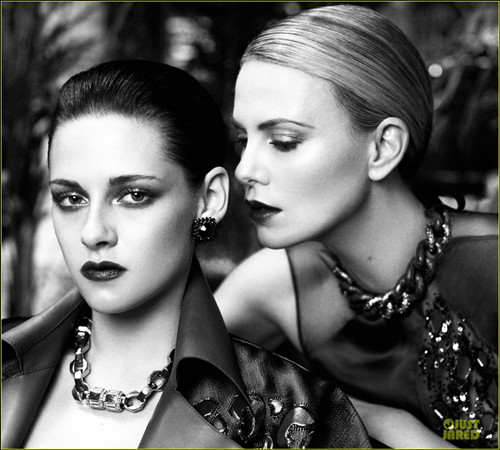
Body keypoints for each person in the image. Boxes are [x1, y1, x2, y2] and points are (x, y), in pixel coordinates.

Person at [1, 60, 371, 449]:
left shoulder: (295, 416)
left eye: (134, 195)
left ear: (209, 199)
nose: (93, 233)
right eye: (71, 199)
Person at [215, 4, 498, 449]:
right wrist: (371, 418)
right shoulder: (276, 285)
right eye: (242, 140)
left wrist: (403, 434)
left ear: (383, 148)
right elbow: (155, 379)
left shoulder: (490, 268)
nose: (244, 170)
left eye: (284, 141)